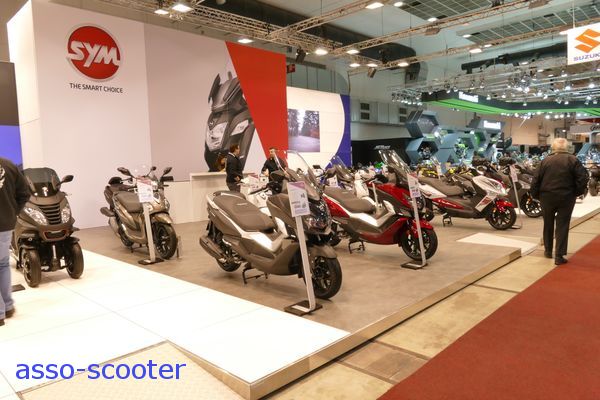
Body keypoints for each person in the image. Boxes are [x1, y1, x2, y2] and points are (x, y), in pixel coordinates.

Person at [531, 138, 588, 265]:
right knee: (563, 225)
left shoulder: (545, 161)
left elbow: (535, 180)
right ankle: (559, 256)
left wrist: (536, 195)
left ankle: (548, 251)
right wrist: (576, 193)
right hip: (566, 197)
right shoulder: (573, 160)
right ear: (567, 148)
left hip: (547, 197)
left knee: (548, 224)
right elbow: (582, 178)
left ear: (553, 148)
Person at [0, 157, 30, 326]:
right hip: (6, 224)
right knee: (3, 265)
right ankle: (8, 306)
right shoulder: (9, 165)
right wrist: (13, 212)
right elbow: (24, 193)